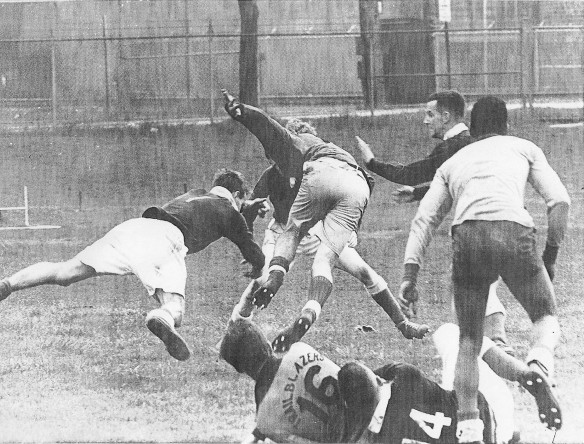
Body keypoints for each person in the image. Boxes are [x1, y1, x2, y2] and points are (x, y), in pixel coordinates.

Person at [399, 96, 569, 442]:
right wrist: (549, 255)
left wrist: (409, 276)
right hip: (513, 231)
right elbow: (560, 201)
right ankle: (537, 365)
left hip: (469, 236)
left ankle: (469, 426)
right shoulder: (523, 147)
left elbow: (424, 221)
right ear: (506, 126)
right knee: (545, 315)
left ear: (472, 129)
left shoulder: (454, 161)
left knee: (468, 340)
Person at [0, 169, 265, 362]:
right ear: (238, 194)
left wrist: (247, 208)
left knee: (65, 271)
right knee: (174, 308)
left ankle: (0, 288)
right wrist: (256, 265)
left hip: (132, 228)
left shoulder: (196, 192)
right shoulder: (230, 211)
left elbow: (221, 210)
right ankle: (162, 318)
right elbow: (254, 251)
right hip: (165, 240)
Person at [223, 90, 429, 352]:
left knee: (363, 271)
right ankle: (236, 325)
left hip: (313, 231)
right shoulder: (275, 173)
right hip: (281, 231)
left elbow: (267, 126)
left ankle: (403, 324)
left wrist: (242, 112)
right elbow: (250, 208)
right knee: (260, 280)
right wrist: (251, 248)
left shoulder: (302, 155)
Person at [220, 291, 558, 444]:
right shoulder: (300, 351)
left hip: (380, 425)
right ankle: (525, 373)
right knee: (452, 335)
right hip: (478, 412)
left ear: (241, 370)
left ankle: (511, 430)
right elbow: (357, 380)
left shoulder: (266, 417)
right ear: (265, 345)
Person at [355, 90, 513, 355]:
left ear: (446, 116)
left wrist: (372, 163)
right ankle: (496, 343)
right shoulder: (471, 140)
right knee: (479, 288)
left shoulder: (453, 147)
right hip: (509, 219)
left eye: (430, 114)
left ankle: (496, 348)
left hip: (477, 224)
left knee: (467, 294)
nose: (425, 121)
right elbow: (456, 182)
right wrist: (417, 193)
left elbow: (410, 172)